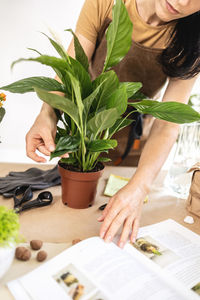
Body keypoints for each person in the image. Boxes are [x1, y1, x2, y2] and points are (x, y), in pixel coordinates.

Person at [26, 0, 200, 248]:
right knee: (71, 222)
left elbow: (167, 122)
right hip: (84, 139)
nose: (183, 2)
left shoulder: (193, 39)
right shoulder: (107, 3)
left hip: (135, 150)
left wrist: (140, 187)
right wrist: (47, 115)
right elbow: (72, 69)